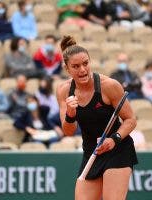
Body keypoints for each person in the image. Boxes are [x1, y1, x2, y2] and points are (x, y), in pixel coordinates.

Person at [56, 35, 137, 199]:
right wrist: (70, 115)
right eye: (76, 66)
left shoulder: (110, 86)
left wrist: (114, 139)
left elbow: (131, 120)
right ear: (67, 69)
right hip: (91, 152)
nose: (83, 70)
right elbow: (68, 131)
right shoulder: (64, 91)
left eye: (85, 63)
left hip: (117, 150)